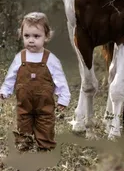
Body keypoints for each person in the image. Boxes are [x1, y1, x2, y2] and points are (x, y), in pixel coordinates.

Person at [0, 12, 71, 151]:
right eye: (27, 36)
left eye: (36, 36)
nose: (31, 40)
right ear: (22, 35)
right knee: (23, 121)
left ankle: (45, 147)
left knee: (45, 123)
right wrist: (5, 90)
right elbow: (11, 77)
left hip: (44, 104)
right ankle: (24, 144)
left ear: (47, 36)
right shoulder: (19, 57)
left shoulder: (51, 59)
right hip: (24, 103)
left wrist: (64, 97)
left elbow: (60, 79)